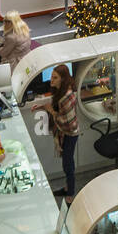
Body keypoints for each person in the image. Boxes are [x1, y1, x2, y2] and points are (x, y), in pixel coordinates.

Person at [32, 65, 80, 203]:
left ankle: (70, 195)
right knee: (66, 163)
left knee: (68, 165)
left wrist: (50, 111)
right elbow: (56, 109)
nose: (51, 80)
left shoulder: (66, 96)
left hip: (70, 134)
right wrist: (42, 107)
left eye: (55, 78)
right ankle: (67, 188)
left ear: (63, 79)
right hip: (66, 133)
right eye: (51, 77)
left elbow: (68, 123)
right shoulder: (61, 91)